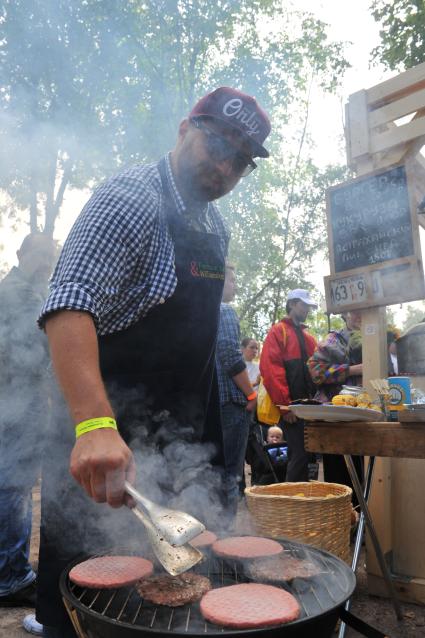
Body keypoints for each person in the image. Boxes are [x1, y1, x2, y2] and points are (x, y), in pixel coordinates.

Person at [31, 87, 271, 637]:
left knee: (180, 599)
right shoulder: (130, 197)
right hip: (103, 445)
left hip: (176, 450)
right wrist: (94, 424)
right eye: (218, 143)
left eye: (241, 159)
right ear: (186, 128)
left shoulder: (215, 228)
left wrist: (202, 453)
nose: (226, 164)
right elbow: (68, 303)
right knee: (90, 603)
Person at [0, 233, 56, 609]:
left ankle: (11, 568)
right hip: (17, 402)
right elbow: (34, 353)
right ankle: (10, 577)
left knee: (13, 484)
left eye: (51, 258)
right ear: (21, 253)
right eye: (40, 255)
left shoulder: (22, 291)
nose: (45, 263)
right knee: (14, 487)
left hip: (18, 401)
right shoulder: (19, 294)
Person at [259, 289, 317, 482]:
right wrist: (285, 407)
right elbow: (270, 371)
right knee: (298, 454)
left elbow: (316, 368)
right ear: (292, 304)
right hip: (291, 408)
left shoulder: (307, 337)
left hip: (308, 407)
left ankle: (302, 499)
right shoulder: (278, 331)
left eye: (309, 305)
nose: (307, 309)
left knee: (306, 454)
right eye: (304, 304)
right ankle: (292, 501)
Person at [307, 310, 363, 499]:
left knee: (367, 480)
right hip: (337, 420)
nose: (359, 315)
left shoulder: (382, 338)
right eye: (355, 311)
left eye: (364, 310)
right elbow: (315, 371)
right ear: (346, 314)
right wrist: (353, 370)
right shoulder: (334, 341)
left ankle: (366, 524)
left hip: (370, 418)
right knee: (340, 483)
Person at [216, 264, 257, 518]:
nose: (236, 286)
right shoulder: (224, 311)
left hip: (211, 405)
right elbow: (231, 356)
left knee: (212, 470)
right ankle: (225, 536)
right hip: (232, 403)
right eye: (232, 280)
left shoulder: (194, 314)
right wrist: (251, 394)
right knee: (231, 473)